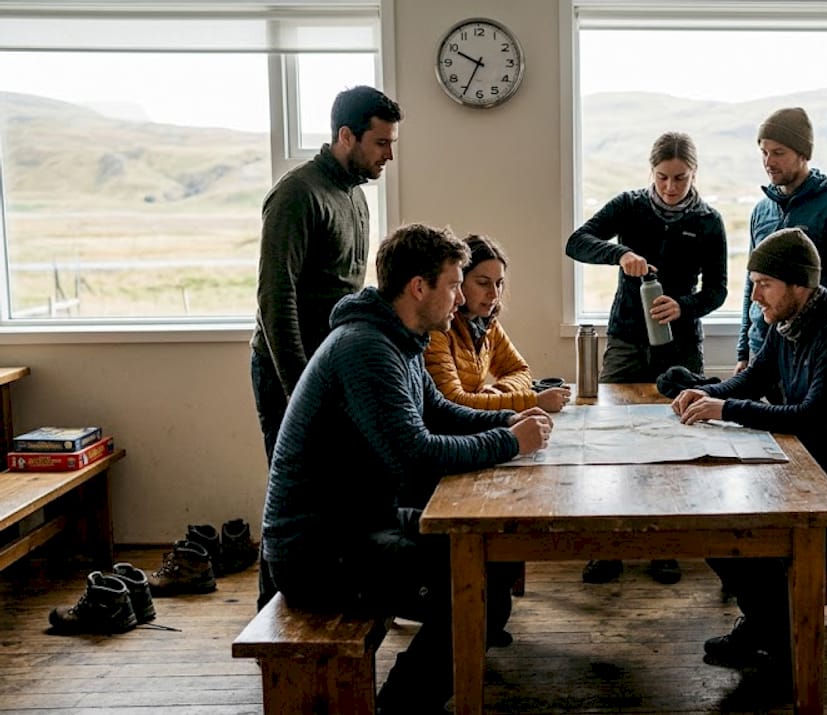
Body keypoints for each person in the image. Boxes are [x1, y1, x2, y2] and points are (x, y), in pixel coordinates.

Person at [259, 224, 554, 715]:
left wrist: (508, 419)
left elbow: (440, 412)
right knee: (473, 591)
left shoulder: (400, 338)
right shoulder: (366, 349)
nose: (459, 298)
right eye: (454, 285)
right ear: (419, 287)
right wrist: (508, 442)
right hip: (318, 550)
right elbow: (415, 456)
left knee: (491, 560)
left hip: (361, 520)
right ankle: (401, 708)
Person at [672, 227, 827, 669]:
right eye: (754, 283)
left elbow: (813, 416)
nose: (755, 296)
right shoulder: (787, 322)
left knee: (743, 539)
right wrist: (708, 394)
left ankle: (781, 643)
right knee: (718, 529)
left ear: (800, 284)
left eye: (765, 284)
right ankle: (772, 629)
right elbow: (754, 378)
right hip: (810, 476)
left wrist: (726, 408)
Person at [565, 131, 729, 586]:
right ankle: (608, 547)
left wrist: (684, 306)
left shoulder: (709, 221)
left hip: (680, 345)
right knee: (608, 437)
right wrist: (620, 254)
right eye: (662, 177)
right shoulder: (629, 206)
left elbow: (718, 290)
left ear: (694, 174)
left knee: (677, 442)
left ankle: (665, 548)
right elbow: (576, 242)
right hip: (626, 338)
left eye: (680, 178)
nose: (670, 187)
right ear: (651, 172)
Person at [250, 85, 402, 463]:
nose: (389, 155)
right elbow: (275, 296)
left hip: (334, 363)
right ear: (346, 136)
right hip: (292, 371)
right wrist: (300, 387)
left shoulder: (356, 194)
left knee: (338, 482)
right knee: (298, 484)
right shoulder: (297, 195)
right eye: (381, 143)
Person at [736, 107, 827, 374]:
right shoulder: (761, 211)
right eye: (764, 152)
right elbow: (751, 285)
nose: (769, 162)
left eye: (778, 153)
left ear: (803, 154)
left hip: (810, 354)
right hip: (761, 352)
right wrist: (744, 351)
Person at [426, 234, 572, 414]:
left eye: (499, 283)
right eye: (483, 283)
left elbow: (520, 370)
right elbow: (452, 402)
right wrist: (534, 401)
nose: (494, 294)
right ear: (459, 282)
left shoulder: (487, 324)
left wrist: (500, 392)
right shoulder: (438, 327)